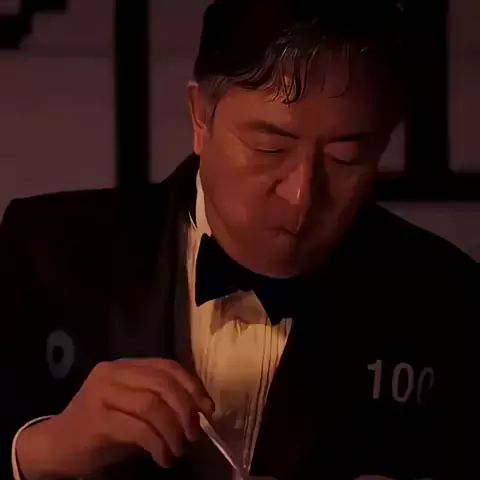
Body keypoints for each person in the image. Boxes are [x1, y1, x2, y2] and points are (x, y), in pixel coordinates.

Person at [1, 0, 478, 479]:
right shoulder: (47, 248)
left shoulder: (447, 297)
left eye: (345, 158)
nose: (301, 196)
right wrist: (43, 450)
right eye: (270, 147)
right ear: (200, 117)